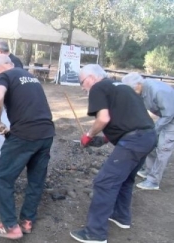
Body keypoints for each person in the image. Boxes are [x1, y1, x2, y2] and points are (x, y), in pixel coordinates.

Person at [70, 64, 157, 243]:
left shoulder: (98, 87)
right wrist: (102, 140)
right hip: (148, 137)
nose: (82, 87)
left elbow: (103, 118)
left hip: (133, 142)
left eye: (82, 82)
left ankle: (95, 233)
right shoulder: (122, 87)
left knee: (104, 183)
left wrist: (88, 135)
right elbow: (127, 120)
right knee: (125, 180)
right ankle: (121, 216)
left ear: (92, 78)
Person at [0, 54, 55, 240]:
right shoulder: (29, 76)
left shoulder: (3, 76)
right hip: (47, 133)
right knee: (35, 179)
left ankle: (11, 227)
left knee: (3, 177)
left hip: (25, 135)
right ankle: (27, 221)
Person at [122, 72, 174, 190]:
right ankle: (148, 170)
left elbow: (169, 114)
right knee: (152, 141)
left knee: (163, 148)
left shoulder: (157, 91)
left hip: (171, 118)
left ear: (139, 84)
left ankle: (153, 181)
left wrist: (153, 130)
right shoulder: (142, 89)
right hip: (166, 116)